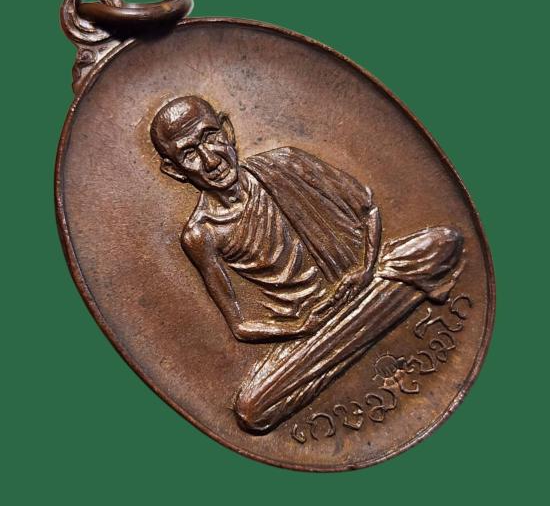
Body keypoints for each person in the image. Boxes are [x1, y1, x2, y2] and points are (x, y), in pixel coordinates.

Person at [150, 96, 464, 433]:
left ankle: (350, 339)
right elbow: (240, 326)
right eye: (189, 153)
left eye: (210, 137)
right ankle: (363, 328)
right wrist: (303, 326)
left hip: (364, 283)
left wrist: (365, 269)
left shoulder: (285, 162)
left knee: (442, 244)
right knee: (252, 409)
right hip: (311, 329)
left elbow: (367, 209)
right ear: (174, 170)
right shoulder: (202, 234)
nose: (210, 159)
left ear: (227, 130)